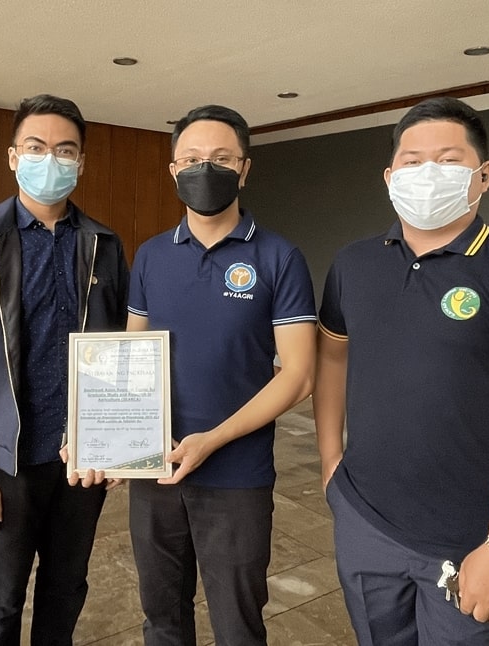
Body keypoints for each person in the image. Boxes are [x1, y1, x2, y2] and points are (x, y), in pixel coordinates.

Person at [313, 96, 489, 645]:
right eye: (412, 161)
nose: (427, 173)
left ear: (483, 176)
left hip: (472, 539)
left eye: (449, 160)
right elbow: (332, 355)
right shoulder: (353, 264)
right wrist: (330, 463)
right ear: (389, 176)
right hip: (364, 518)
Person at [0, 94, 129, 646]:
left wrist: (114, 441)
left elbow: (119, 348)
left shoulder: (103, 245)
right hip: (7, 461)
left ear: (81, 163)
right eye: (37, 147)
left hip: (79, 457)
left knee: (66, 588)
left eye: (65, 150)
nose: (52, 159)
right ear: (13, 156)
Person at [125, 105, 317, 646]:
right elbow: (132, 358)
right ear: (172, 169)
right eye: (190, 158)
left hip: (237, 474)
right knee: (161, 616)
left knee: (237, 622)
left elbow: (299, 375)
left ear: (244, 168)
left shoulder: (280, 257)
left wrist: (213, 440)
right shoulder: (150, 256)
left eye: (220, 158)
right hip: (155, 467)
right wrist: (116, 438)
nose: (203, 169)